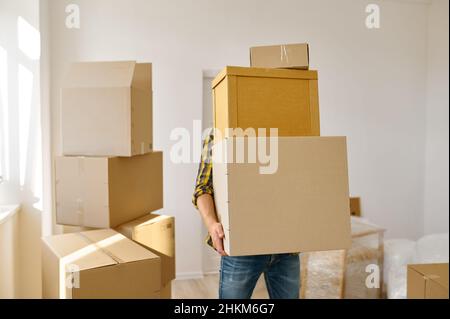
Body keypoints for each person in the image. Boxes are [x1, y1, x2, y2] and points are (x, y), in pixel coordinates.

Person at [192, 131, 300, 299]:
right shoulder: (219, 134)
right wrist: (212, 224)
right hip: (241, 248)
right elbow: (202, 189)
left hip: (287, 246)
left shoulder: (289, 127)